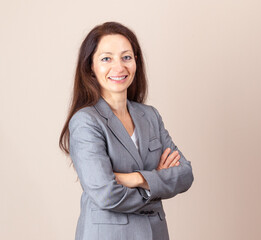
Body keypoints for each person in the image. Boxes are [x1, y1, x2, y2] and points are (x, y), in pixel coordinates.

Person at [59, 21, 194, 240]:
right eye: (106, 58)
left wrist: (136, 179)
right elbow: (106, 194)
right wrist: (156, 182)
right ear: (90, 67)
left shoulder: (150, 115)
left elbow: (185, 174)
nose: (119, 67)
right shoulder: (86, 122)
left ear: (136, 62)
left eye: (126, 57)